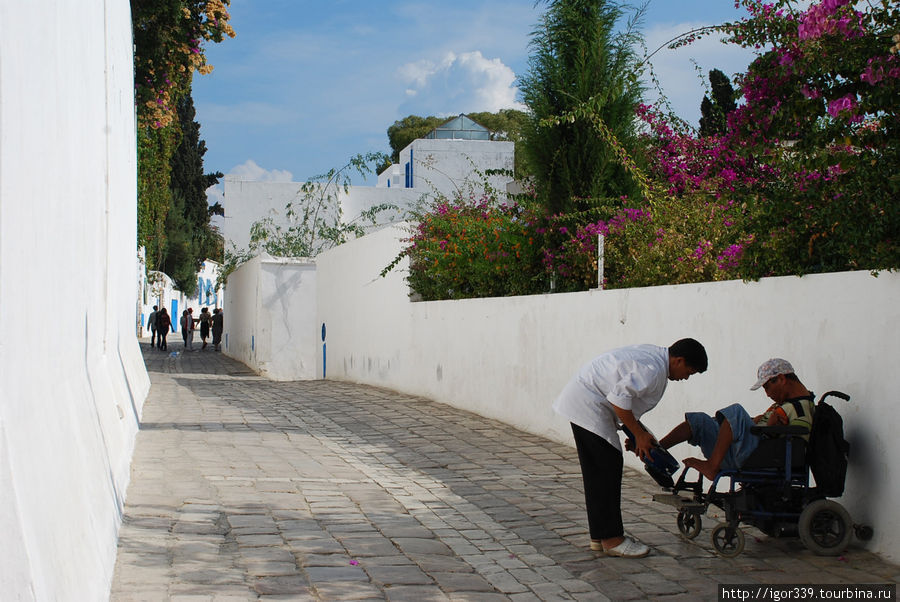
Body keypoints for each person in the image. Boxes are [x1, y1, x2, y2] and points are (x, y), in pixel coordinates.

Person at [553, 338, 708, 558]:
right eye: (689, 372)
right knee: (605, 469)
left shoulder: (655, 359)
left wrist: (637, 435)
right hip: (588, 405)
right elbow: (619, 399)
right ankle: (612, 539)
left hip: (585, 401)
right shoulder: (653, 369)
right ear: (679, 360)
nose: (685, 378)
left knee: (601, 469)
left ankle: (600, 536)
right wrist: (638, 434)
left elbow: (624, 403)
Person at [658, 358, 815, 480]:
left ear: (781, 379)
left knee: (736, 412)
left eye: (767, 387)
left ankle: (712, 466)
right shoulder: (784, 405)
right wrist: (758, 422)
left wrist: (771, 429)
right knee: (700, 421)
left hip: (759, 456)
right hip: (747, 449)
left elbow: (797, 443)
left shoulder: (800, 408)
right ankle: (656, 451)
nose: (767, 394)